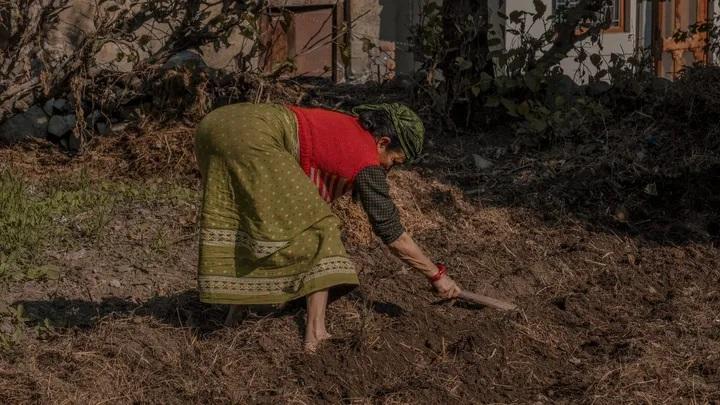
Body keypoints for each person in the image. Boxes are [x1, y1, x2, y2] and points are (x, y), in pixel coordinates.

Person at [194, 102, 461, 352]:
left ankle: (233, 320)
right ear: (382, 143)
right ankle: (316, 335)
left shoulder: (343, 128)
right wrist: (437, 276)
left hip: (216, 125)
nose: (388, 170)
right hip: (253, 135)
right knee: (322, 229)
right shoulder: (365, 158)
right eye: (394, 161)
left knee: (253, 226)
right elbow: (392, 233)